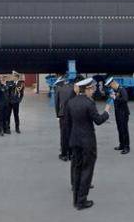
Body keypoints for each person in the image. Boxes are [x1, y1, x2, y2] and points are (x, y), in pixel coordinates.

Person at [65, 77, 111, 210]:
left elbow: (67, 124)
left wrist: (68, 142)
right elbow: (98, 120)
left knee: (77, 169)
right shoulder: (89, 103)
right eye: (92, 88)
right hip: (87, 143)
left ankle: (75, 200)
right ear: (87, 89)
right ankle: (81, 201)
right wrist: (107, 112)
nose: (93, 91)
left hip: (75, 141)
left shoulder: (70, 102)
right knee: (87, 171)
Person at [105, 77, 130, 154]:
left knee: (124, 130)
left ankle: (127, 147)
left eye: (111, 86)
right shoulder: (116, 90)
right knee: (119, 129)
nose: (111, 88)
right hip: (118, 113)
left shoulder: (122, 89)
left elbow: (125, 99)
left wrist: (115, 97)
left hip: (123, 113)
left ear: (113, 83)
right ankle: (121, 144)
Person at [54, 76, 76, 161]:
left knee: (64, 135)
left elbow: (56, 103)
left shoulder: (58, 88)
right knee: (71, 133)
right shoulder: (73, 87)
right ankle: (71, 154)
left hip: (63, 114)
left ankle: (64, 154)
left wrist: (57, 115)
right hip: (72, 114)